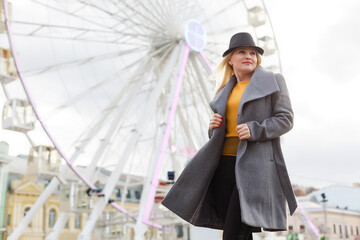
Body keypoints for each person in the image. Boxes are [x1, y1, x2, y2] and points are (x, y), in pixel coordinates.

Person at [162, 32, 297, 240]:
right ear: (230, 59)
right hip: (222, 166)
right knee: (240, 232)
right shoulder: (224, 90)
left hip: (254, 167)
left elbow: (285, 119)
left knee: (231, 234)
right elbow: (220, 134)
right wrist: (213, 127)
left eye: (253, 53)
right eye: (241, 52)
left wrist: (255, 129)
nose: (248, 56)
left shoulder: (273, 81)